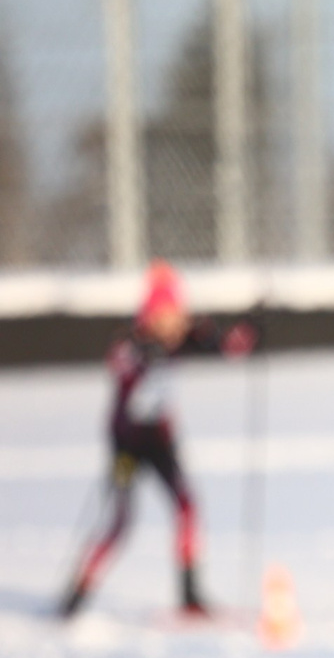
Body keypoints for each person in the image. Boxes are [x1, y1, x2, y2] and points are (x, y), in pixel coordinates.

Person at [59, 262, 257, 620]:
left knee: (186, 507)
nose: (174, 322)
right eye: (166, 315)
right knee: (118, 525)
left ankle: (189, 595)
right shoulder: (131, 342)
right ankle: (76, 597)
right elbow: (121, 364)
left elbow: (225, 347)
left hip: (161, 442)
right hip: (127, 447)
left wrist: (245, 336)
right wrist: (147, 356)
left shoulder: (182, 336)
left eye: (177, 314)